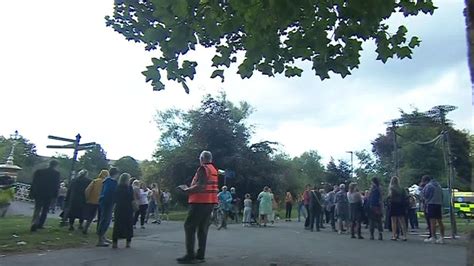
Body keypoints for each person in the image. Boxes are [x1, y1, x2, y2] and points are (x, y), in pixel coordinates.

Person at [176, 151, 218, 264]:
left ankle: (190, 255)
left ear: (202, 158)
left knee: (189, 226)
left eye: (200, 158)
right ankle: (200, 255)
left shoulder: (203, 169)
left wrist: (186, 190)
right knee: (202, 229)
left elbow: (200, 186)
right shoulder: (214, 170)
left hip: (199, 202)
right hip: (209, 202)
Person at [30, 160, 60, 232]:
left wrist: (32, 192)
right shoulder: (56, 174)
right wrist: (55, 195)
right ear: (56, 165)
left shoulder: (39, 172)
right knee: (45, 210)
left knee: (37, 208)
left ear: (49, 164)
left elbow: (34, 182)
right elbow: (56, 185)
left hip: (39, 193)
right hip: (49, 194)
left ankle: (34, 222)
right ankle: (40, 224)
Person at [97, 167, 120, 247]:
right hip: (108, 202)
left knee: (105, 219)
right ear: (116, 174)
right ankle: (100, 239)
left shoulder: (106, 181)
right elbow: (109, 192)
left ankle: (103, 237)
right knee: (105, 220)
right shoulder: (112, 182)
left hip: (104, 201)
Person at [112, 173, 134, 249]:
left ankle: (115, 242)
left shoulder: (117, 187)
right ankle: (128, 242)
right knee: (128, 224)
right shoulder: (129, 188)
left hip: (119, 207)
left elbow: (114, 198)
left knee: (117, 224)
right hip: (128, 207)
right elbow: (132, 198)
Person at [421, 175, 445, 244]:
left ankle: (433, 237)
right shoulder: (438, 186)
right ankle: (442, 237)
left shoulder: (428, 186)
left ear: (425, 181)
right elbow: (442, 195)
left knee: (432, 222)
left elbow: (425, 195)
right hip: (439, 204)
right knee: (440, 221)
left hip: (431, 204)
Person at [83, 169, 109, 234]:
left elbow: (87, 190)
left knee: (90, 216)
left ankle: (86, 228)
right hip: (102, 201)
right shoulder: (106, 182)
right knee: (100, 217)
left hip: (92, 200)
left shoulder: (95, 181)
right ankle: (99, 230)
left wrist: (87, 198)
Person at [388, 176, 407, 241]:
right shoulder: (402, 189)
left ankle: (394, 235)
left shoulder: (391, 188)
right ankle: (404, 235)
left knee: (393, 221)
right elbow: (405, 196)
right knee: (402, 221)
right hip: (401, 205)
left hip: (394, 204)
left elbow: (390, 196)